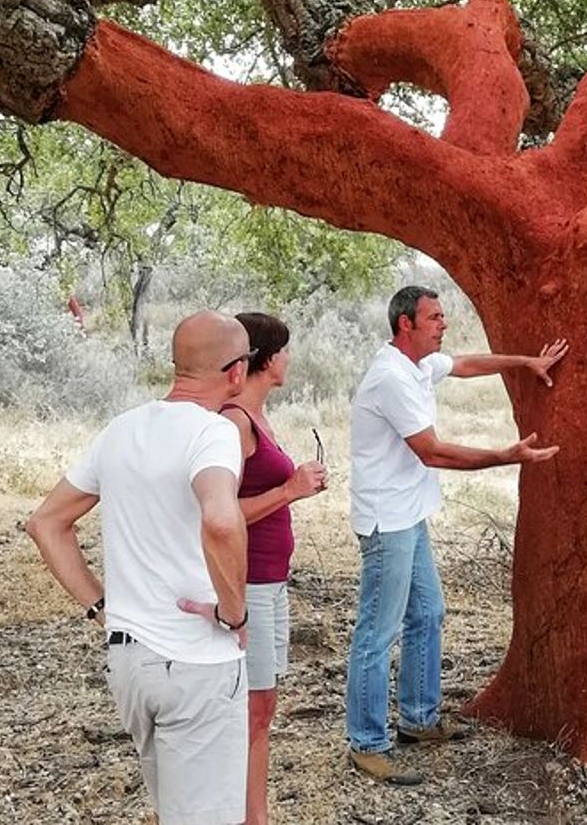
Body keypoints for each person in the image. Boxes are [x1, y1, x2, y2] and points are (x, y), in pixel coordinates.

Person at [26, 310, 252, 825]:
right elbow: (220, 520)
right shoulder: (212, 433)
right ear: (236, 371)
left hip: (130, 658)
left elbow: (45, 523)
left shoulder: (120, 430)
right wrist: (235, 614)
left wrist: (102, 607)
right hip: (195, 657)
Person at [345, 285, 567, 784]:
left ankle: (418, 720)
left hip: (411, 512)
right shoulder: (391, 378)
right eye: (435, 317)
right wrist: (505, 456)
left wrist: (526, 362)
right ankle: (366, 743)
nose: (443, 324)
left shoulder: (419, 365)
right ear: (406, 324)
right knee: (377, 632)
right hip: (388, 520)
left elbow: (465, 364)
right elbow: (432, 451)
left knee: (428, 611)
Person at [222, 312, 328, 825]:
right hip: (250, 582)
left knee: (263, 705)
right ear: (263, 358)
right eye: (283, 349)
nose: (289, 358)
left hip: (272, 580)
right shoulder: (234, 422)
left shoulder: (259, 418)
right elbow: (219, 513)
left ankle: (253, 814)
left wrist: (294, 490)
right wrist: (289, 490)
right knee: (253, 710)